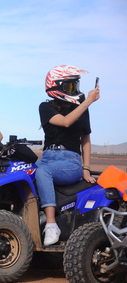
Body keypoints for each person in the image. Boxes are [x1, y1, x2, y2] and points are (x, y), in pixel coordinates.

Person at [36, 65, 100, 246]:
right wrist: (87, 101)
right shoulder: (45, 107)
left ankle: (51, 225)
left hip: (70, 162)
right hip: (48, 158)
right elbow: (65, 122)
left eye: (76, 86)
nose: (75, 91)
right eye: (71, 87)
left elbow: (85, 139)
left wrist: (86, 168)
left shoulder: (82, 108)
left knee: (43, 172)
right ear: (57, 87)